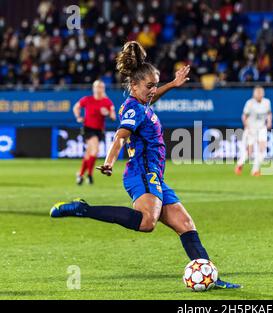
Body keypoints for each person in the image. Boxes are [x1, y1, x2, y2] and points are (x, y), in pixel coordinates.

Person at [50, 41, 241, 289]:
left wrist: (172, 84)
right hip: (141, 173)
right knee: (146, 222)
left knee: (185, 225)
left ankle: (209, 276)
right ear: (134, 85)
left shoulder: (142, 102)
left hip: (154, 175)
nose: (153, 90)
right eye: (150, 86)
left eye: (155, 85)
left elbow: (152, 97)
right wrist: (108, 162)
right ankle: (83, 209)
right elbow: (120, 136)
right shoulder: (133, 109)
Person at [73, 80, 116, 185]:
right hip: (88, 128)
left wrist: (107, 114)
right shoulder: (87, 99)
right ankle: (90, 175)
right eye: (97, 87)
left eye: (101, 87)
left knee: (88, 153)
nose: (98, 89)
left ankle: (80, 175)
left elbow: (114, 117)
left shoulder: (107, 102)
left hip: (99, 130)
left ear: (103, 89)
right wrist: (78, 117)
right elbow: (76, 107)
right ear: (93, 88)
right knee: (95, 150)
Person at [235, 86, 272, 176]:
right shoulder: (250, 103)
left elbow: (269, 113)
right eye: (257, 93)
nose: (259, 95)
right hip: (251, 129)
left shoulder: (267, 102)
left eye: (261, 93)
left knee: (262, 150)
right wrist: (247, 127)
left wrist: (269, 121)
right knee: (249, 152)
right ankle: (240, 164)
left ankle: (255, 170)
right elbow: (244, 116)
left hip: (262, 128)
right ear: (254, 94)